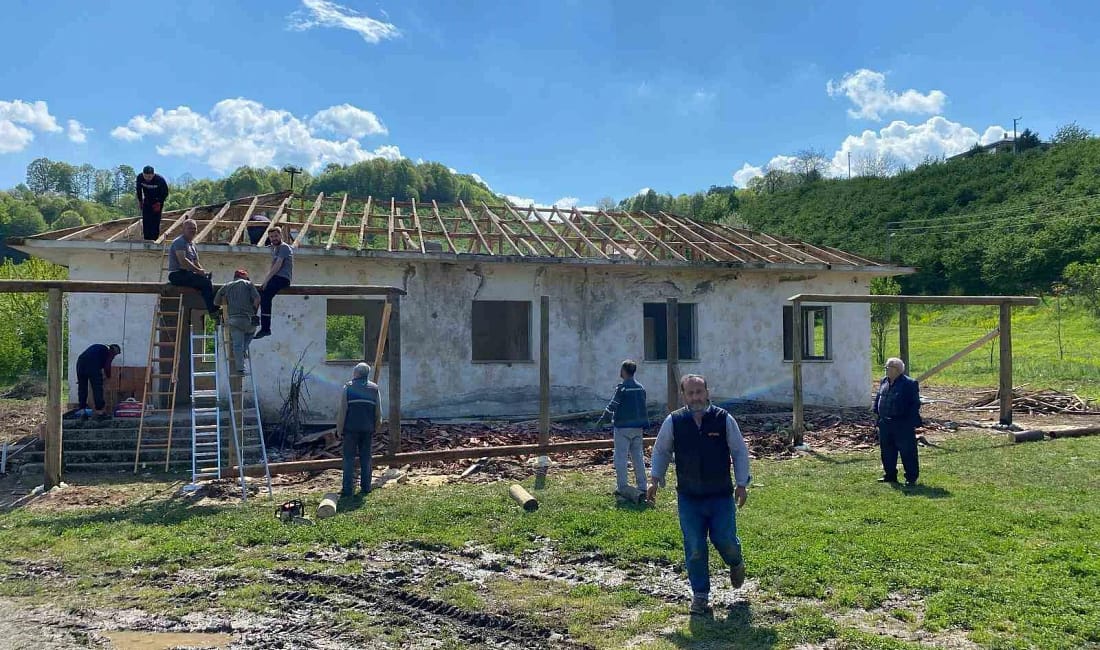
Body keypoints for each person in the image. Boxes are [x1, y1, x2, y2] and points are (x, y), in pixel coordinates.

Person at [647, 374, 751, 616]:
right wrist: (654, 479)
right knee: (694, 546)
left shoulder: (723, 419)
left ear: (707, 392)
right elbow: (661, 451)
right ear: (683, 396)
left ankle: (736, 562)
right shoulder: (675, 421)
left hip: (720, 496)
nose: (696, 397)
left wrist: (742, 484)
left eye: (699, 392)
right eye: (690, 393)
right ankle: (701, 596)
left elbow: (739, 451)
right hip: (689, 497)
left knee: (725, 540)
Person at [596, 359, 649, 495]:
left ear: (624, 371)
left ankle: (622, 486)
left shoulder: (622, 388)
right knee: (638, 457)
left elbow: (612, 405)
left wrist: (602, 420)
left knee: (621, 457)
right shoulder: (641, 388)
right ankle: (643, 485)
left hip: (623, 428)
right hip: (638, 427)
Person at [873, 357, 922, 486]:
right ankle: (890, 475)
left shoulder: (909, 384)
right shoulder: (884, 381)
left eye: (888, 367)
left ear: (897, 370)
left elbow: (915, 404)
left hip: (902, 424)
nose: (886, 369)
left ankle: (911, 478)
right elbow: (878, 398)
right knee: (887, 451)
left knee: (907, 452)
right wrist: (877, 415)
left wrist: (908, 422)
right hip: (885, 423)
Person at [335, 362, 381, 498]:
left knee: (348, 459)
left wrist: (339, 429)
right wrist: (376, 427)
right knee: (366, 458)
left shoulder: (348, 388)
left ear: (356, 373)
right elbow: (378, 412)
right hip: (367, 430)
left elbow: (343, 411)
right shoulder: (374, 389)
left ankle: (347, 490)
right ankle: (366, 487)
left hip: (350, 430)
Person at [167, 219, 220, 317]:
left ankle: (210, 307)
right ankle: (213, 311)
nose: (192, 230)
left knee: (206, 281)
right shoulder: (179, 242)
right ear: (183, 229)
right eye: (190, 228)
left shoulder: (192, 245)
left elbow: (196, 262)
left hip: (188, 274)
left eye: (194, 228)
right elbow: (183, 261)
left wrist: (203, 272)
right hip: (177, 274)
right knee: (205, 283)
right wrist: (198, 271)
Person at [214, 269, 260, 372]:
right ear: (244, 277)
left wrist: (228, 302)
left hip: (234, 320)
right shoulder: (248, 284)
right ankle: (243, 350)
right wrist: (254, 310)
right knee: (251, 332)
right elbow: (257, 299)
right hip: (248, 319)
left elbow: (216, 302)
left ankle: (240, 369)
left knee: (237, 345)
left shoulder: (226, 286)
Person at [254, 226, 292, 340]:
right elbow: (273, 266)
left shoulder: (284, 247)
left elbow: (278, 265)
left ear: (281, 235)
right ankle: (255, 318)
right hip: (276, 278)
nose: (274, 238)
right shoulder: (276, 249)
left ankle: (265, 328)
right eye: (271, 237)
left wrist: (266, 280)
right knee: (261, 295)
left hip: (282, 278)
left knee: (265, 296)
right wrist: (266, 280)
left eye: (276, 236)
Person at [75, 343, 121, 417]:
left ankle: (82, 410)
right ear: (113, 351)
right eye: (115, 354)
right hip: (92, 364)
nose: (114, 356)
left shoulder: (99, 349)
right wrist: (108, 376)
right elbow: (107, 366)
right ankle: (100, 411)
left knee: (82, 387)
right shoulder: (108, 352)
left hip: (80, 363)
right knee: (97, 387)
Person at [136, 165, 169, 241]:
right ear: (143, 174)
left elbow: (165, 193)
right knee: (146, 221)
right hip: (147, 200)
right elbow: (138, 190)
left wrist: (159, 202)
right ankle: (146, 239)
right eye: (145, 176)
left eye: (149, 177)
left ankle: (154, 239)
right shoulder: (140, 177)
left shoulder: (160, 180)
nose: (147, 178)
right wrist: (140, 201)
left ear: (153, 175)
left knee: (155, 221)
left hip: (157, 201)